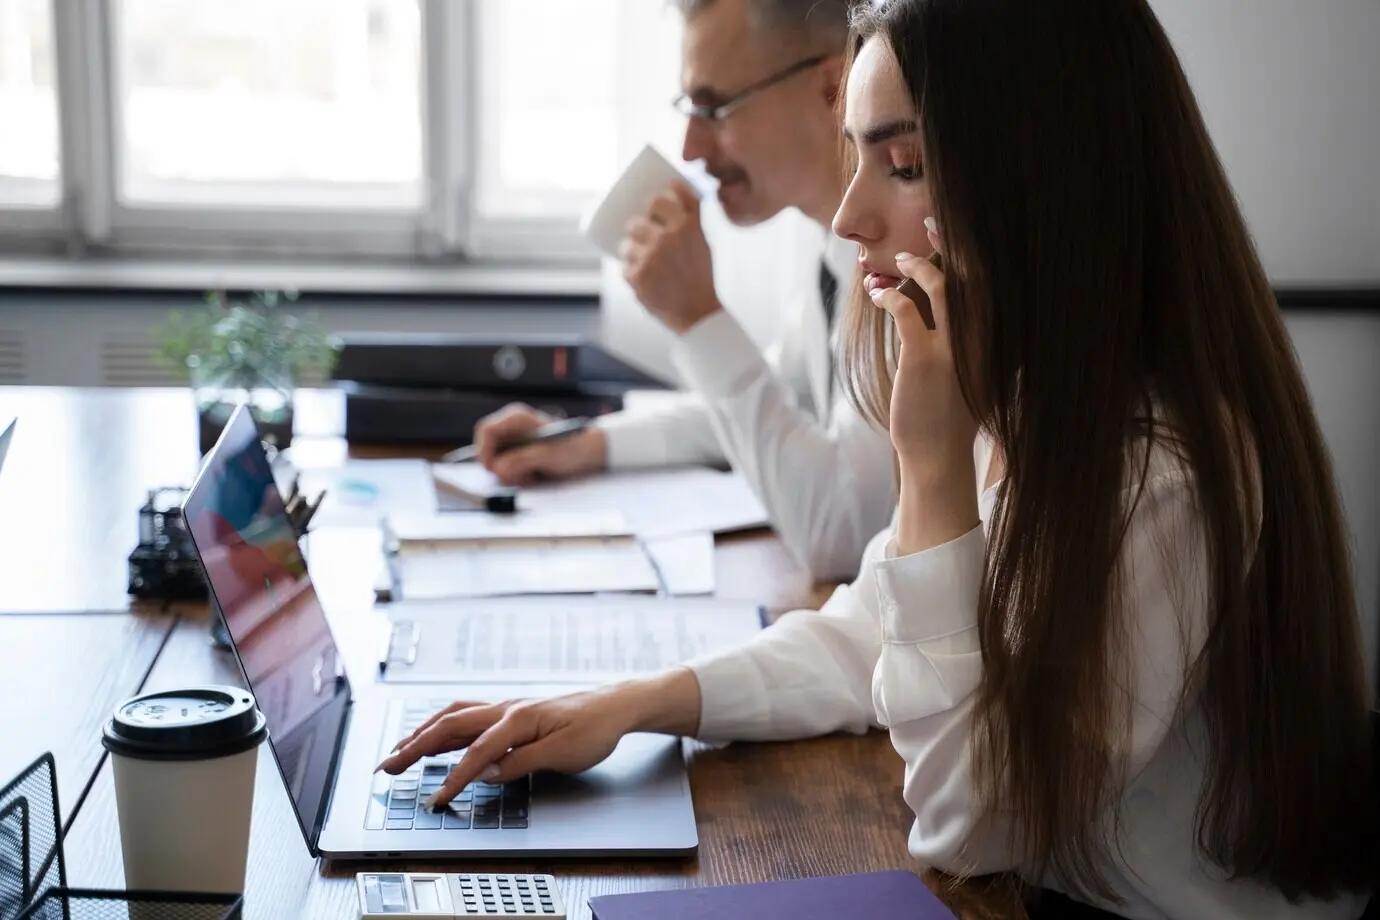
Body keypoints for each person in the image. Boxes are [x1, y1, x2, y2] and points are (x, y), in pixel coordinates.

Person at [381, 0, 1379, 916]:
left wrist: (935, 473)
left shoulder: (1157, 476)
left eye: (900, 167)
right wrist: (632, 704)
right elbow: (869, 631)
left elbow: (970, 823)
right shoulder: (1026, 389)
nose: (852, 214)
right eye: (857, 159)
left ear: (1046, 186)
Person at [469, 0, 896, 581]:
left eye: (714, 107)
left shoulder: (900, 269)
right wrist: (587, 443)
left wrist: (699, 320)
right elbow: (774, 401)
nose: (692, 148)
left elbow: (842, 536)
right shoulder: (829, 253)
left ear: (832, 89)